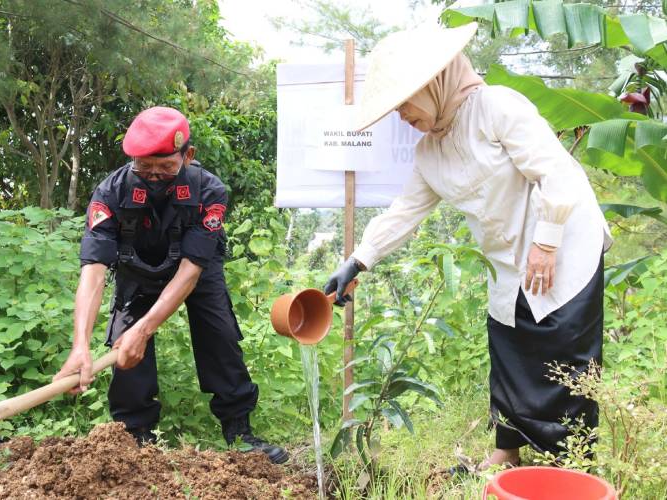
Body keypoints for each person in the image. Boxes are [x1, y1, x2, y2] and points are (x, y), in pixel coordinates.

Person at [324, 23, 612, 469]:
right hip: (508, 257)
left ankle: (569, 465)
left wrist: (547, 242)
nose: (401, 115)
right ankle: (507, 453)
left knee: (562, 353)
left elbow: (557, 174)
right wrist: (358, 260)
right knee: (510, 349)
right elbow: (405, 211)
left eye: (404, 103)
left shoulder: (496, 107)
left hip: (563, 242)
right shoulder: (430, 152)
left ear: (433, 84)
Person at [53, 106, 288, 464]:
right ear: (132, 156)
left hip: (195, 267)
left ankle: (239, 432)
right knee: (126, 347)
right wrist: (80, 346)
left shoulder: (210, 192)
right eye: (144, 166)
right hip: (138, 268)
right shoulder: (110, 194)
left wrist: (146, 330)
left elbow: (191, 270)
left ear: (187, 155)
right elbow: (94, 270)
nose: (154, 176)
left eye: (166, 167)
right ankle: (133, 440)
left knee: (218, 331)